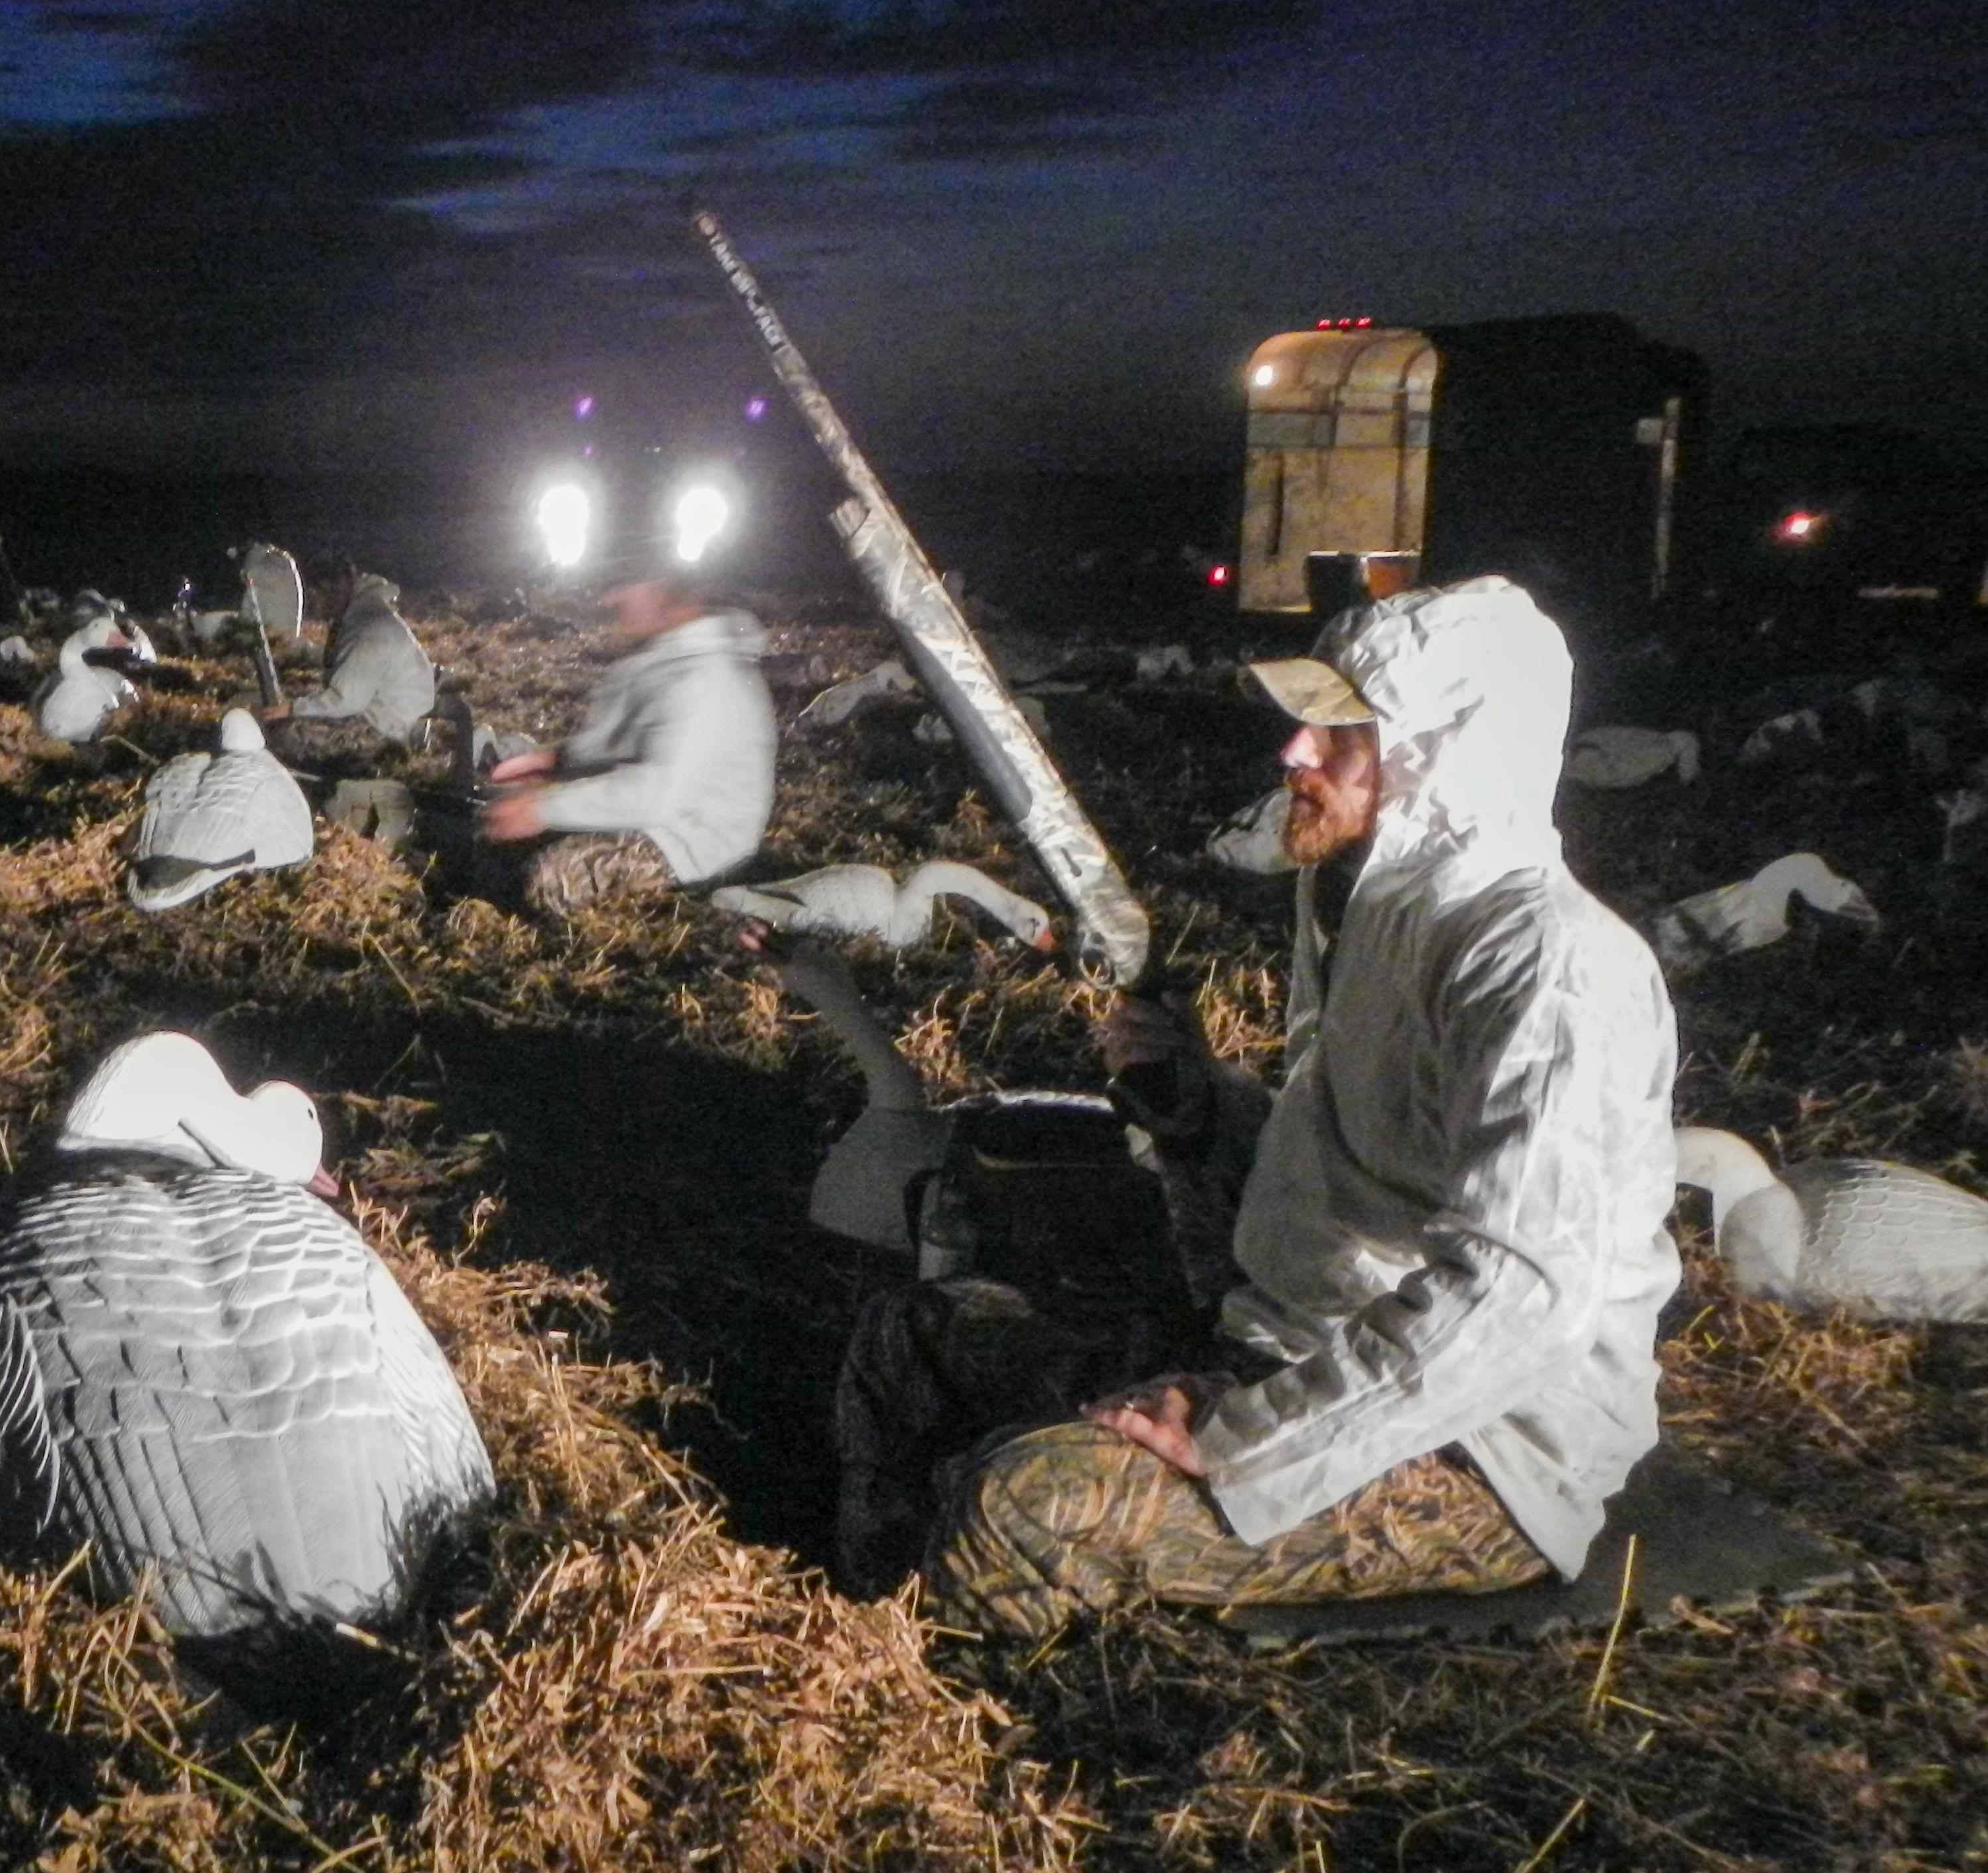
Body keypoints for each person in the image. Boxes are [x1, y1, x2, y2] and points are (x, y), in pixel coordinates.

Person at [836, 575, 1682, 1636]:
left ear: (1444, 754)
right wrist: (1202, 1108)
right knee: (910, 1337)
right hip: (1296, 1350)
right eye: (1307, 726)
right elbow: (1355, 1164)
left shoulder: (1547, 969)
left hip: (1475, 1444)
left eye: (1344, 735)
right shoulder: (1366, 903)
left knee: (1019, 1510)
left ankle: (959, 1711)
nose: (1296, 754)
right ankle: (854, 1616)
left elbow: (1516, 1300)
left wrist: (1240, 1437)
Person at [478, 557, 776, 918]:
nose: (611, 599)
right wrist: (556, 762)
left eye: (627, 586)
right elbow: (620, 745)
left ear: (674, 597)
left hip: (691, 840)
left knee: (554, 880)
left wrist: (543, 809)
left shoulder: (706, 678)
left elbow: (657, 792)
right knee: (492, 828)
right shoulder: (664, 659)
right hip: (646, 814)